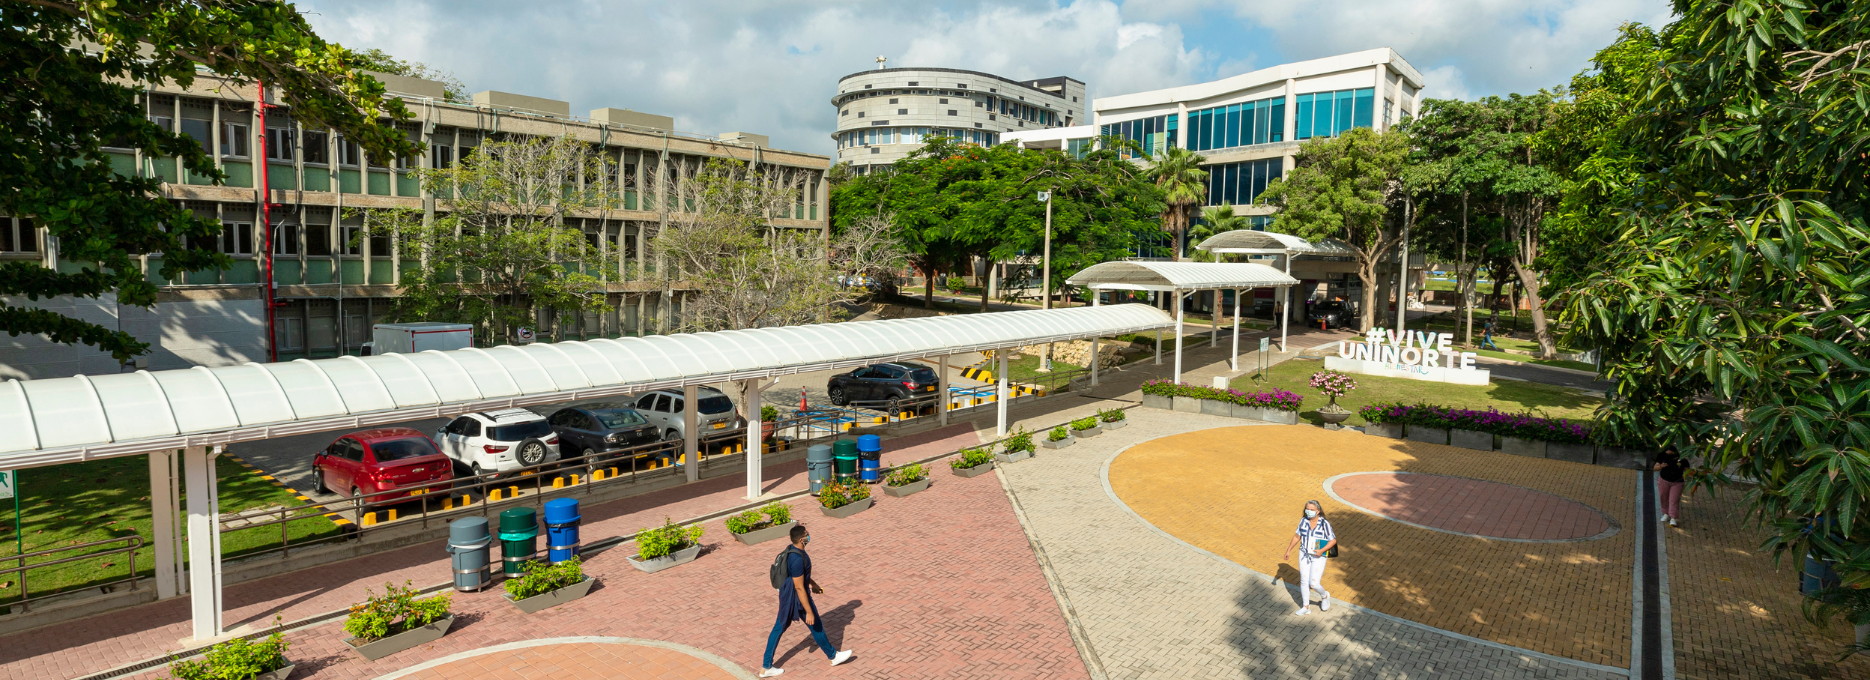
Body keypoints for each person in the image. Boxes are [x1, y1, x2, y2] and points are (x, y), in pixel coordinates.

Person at [760, 524, 852, 677]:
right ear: (802, 539)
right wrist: (808, 611)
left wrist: (814, 584)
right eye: (806, 534)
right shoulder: (797, 559)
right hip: (797, 598)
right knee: (816, 625)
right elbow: (799, 587)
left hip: (788, 596)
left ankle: (766, 666)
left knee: (779, 628)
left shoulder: (792, 550)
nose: (808, 535)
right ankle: (833, 656)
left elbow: (801, 577)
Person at [1281, 500, 1337, 616]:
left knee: (1314, 584)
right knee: (1304, 581)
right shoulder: (1303, 521)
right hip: (1304, 554)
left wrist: (1321, 550)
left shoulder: (1324, 524)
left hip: (1318, 556)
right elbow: (1297, 536)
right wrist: (1288, 550)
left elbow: (1333, 540)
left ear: (1318, 511)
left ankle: (1324, 595)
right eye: (1307, 509)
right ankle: (1306, 606)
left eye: (1312, 510)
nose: (1309, 512)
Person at [1654, 447, 1687, 527]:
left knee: (1673, 500)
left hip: (1677, 482)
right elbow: (1655, 468)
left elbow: (1688, 471)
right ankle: (1665, 513)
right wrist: (1661, 466)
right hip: (1664, 480)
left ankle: (1673, 517)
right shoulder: (1662, 456)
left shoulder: (1682, 460)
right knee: (1663, 497)